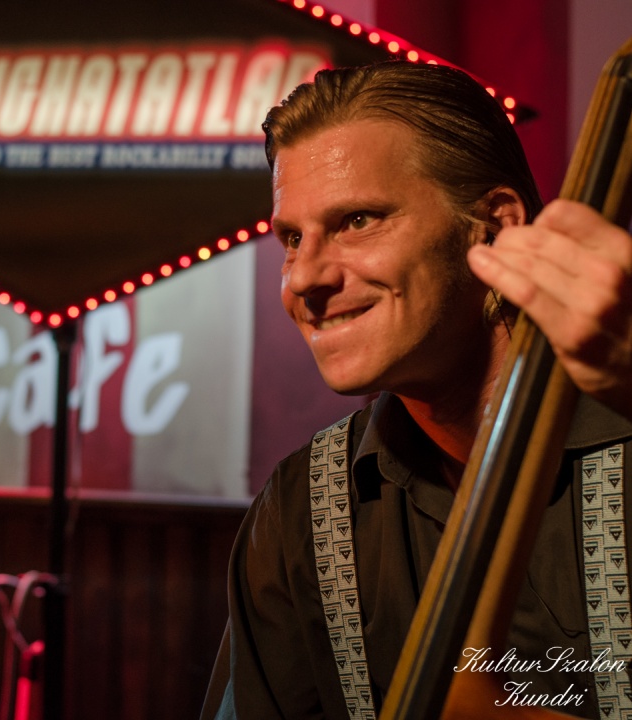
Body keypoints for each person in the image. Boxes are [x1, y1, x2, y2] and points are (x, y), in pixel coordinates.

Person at [201, 61, 632, 720]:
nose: (304, 278)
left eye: (357, 220)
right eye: (292, 238)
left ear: (495, 229)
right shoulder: (301, 510)